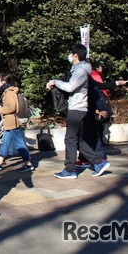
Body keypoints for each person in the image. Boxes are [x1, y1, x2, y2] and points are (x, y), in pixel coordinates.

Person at [47, 44, 110, 179]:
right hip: (77, 107)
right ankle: (98, 162)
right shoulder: (77, 69)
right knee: (78, 140)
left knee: (70, 139)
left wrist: (55, 81)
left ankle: (70, 169)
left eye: (70, 53)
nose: (69, 56)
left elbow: (70, 87)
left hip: (77, 108)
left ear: (75, 55)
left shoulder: (81, 70)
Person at [0, 73, 34, 172]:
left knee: (19, 144)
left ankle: (28, 163)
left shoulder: (8, 92)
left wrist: (0, 110)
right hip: (9, 122)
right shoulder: (10, 91)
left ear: (3, 81)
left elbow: (12, 107)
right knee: (5, 142)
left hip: (12, 122)